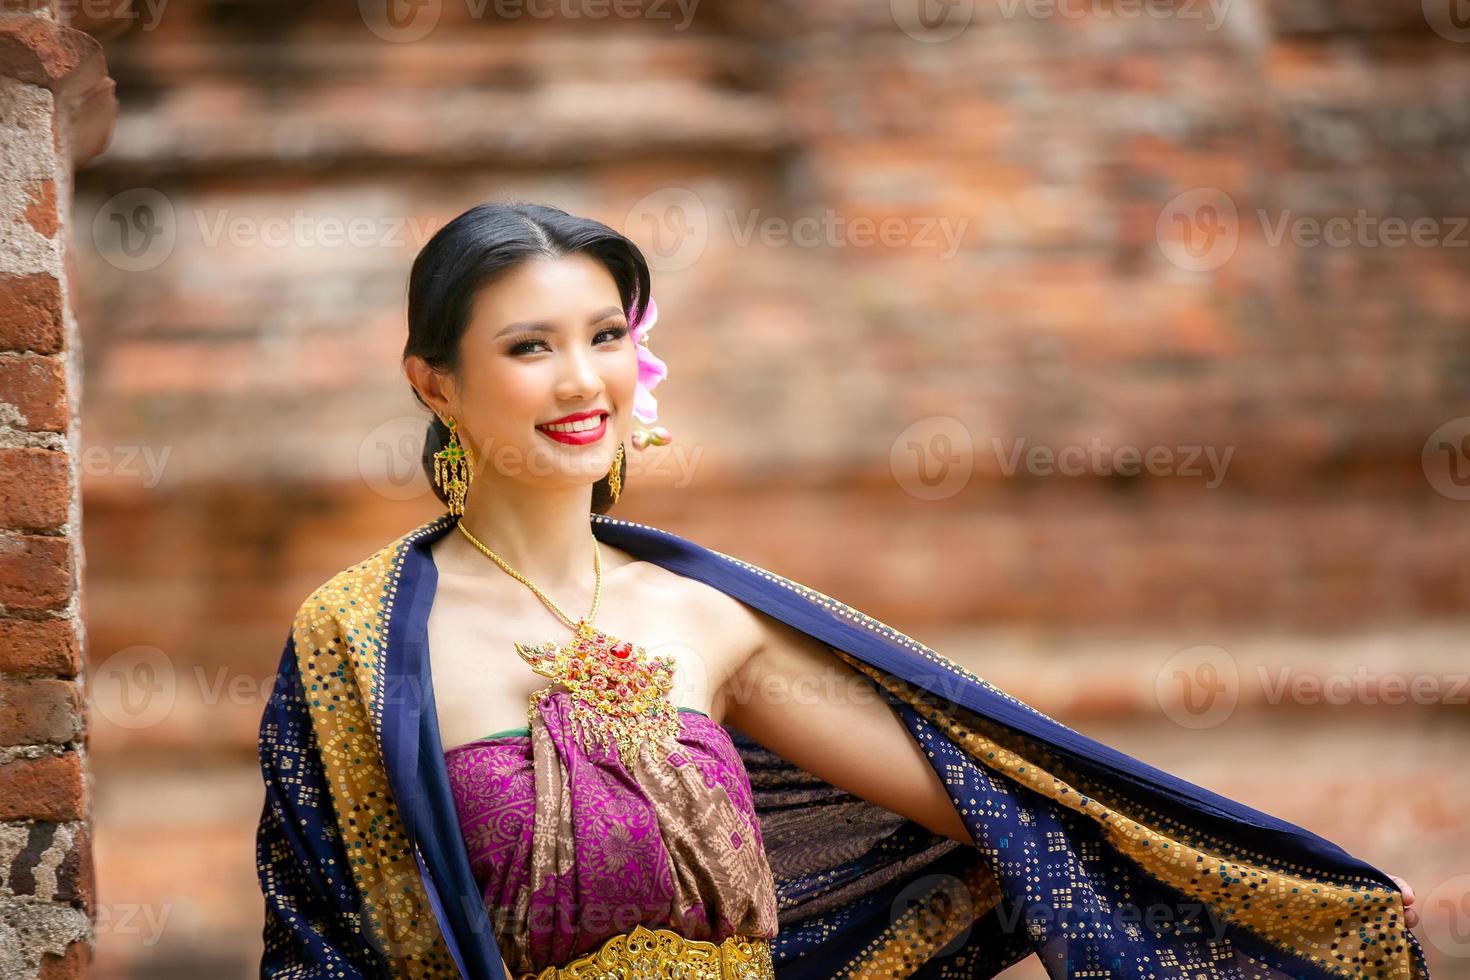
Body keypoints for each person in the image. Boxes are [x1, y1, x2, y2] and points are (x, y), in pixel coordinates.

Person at [255, 201, 1426, 980]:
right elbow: (318, 935)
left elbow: (1008, 807)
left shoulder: (705, 619)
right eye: (528, 346)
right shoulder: (364, 639)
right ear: (435, 382)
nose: (582, 380)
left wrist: (1294, 900)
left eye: (606, 334)